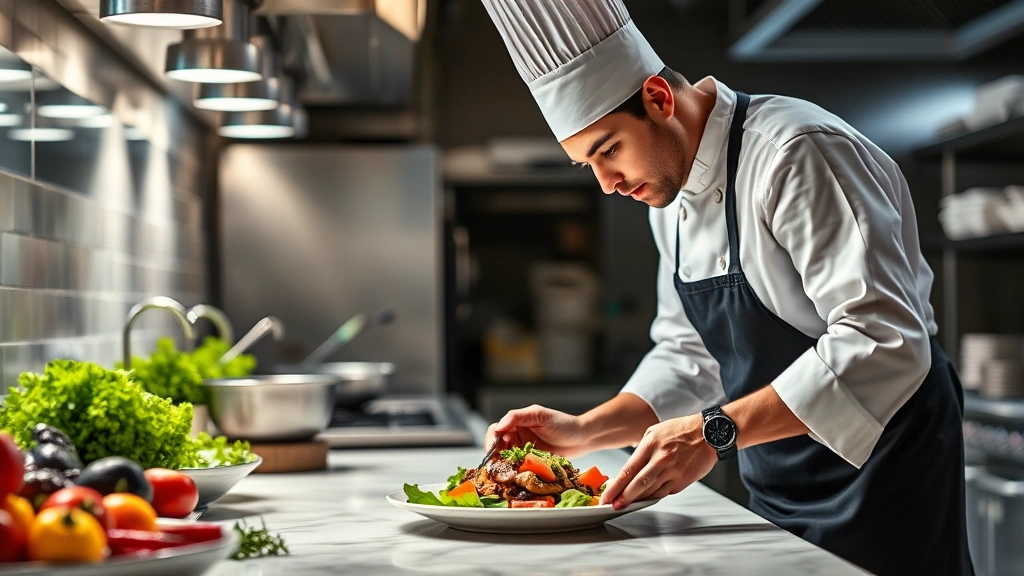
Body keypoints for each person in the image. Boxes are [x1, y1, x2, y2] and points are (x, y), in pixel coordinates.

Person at [479, 1, 974, 574]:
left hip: (886, 474)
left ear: (658, 98)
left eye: (609, 150)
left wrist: (714, 432)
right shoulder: (668, 197)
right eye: (587, 165)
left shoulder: (794, 152)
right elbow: (690, 357)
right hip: (778, 475)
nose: (608, 183)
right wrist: (585, 431)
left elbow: (884, 340)